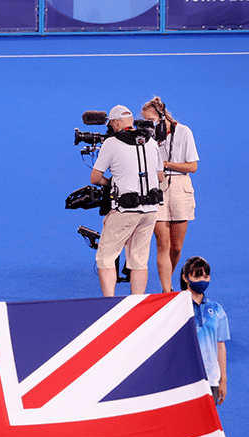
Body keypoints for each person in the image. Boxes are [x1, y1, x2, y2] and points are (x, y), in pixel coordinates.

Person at [91, 105, 163, 297]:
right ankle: (136, 303)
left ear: (115, 123)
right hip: (150, 210)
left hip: (125, 209)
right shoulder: (150, 141)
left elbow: (95, 178)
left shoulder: (111, 143)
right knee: (139, 259)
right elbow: (160, 177)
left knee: (106, 257)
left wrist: (111, 183)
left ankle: (109, 303)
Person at [142, 97, 200, 293]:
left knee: (176, 247)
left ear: (162, 116)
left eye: (150, 120)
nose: (148, 124)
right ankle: (166, 290)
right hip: (156, 189)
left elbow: (192, 166)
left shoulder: (184, 132)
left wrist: (166, 164)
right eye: (145, 120)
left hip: (180, 188)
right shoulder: (146, 137)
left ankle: (168, 280)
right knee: (162, 245)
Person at [180, 257, 228, 405]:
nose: (202, 280)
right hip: (183, 378)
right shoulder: (176, 307)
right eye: (197, 276)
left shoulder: (217, 310)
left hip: (211, 378)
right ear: (185, 277)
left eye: (205, 276)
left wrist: (223, 380)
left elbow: (220, 345)